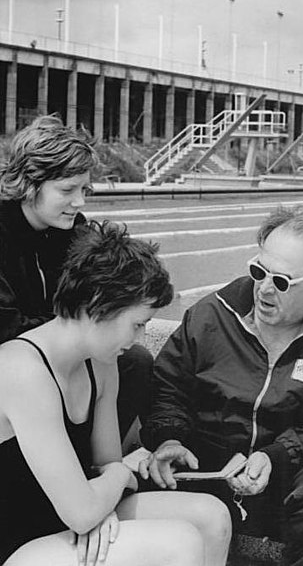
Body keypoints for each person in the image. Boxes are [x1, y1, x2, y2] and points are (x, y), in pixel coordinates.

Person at [140, 205, 303, 566]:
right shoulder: (212, 314)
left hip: (285, 473)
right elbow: (167, 387)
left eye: (281, 282)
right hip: (208, 466)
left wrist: (275, 456)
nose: (264, 289)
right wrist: (170, 438)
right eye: (258, 271)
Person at [0, 220, 231, 566]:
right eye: (137, 324)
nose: (138, 339)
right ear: (98, 304)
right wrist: (111, 486)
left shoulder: (101, 362)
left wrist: (103, 500)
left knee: (212, 516)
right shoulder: (23, 371)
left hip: (70, 519)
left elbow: (105, 465)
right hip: (16, 541)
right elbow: (95, 496)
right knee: (177, 543)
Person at [0, 115, 152, 441]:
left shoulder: (72, 231)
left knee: (135, 361)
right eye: (67, 190)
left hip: (56, 349)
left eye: (84, 189)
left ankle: (88, 456)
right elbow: (6, 326)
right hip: (11, 361)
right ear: (29, 183)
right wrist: (78, 332)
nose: (79, 202)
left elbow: (106, 294)